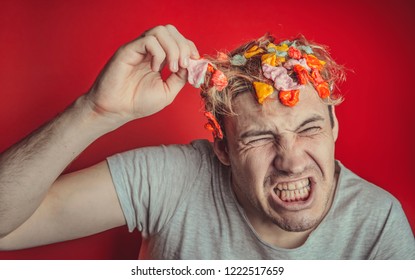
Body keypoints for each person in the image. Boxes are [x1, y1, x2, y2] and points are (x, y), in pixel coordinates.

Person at [0, 25, 414, 259]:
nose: (291, 161)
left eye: (308, 129)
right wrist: (95, 111)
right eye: (259, 137)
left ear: (333, 124)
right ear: (222, 148)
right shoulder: (175, 179)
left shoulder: (376, 225)